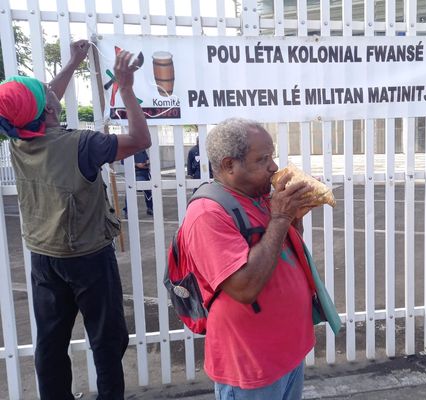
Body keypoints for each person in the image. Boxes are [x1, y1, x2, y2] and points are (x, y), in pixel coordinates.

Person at [0, 41, 151, 399]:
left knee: (51, 344)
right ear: (49, 111)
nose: (52, 93)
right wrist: (126, 90)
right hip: (88, 259)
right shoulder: (83, 145)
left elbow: (45, 99)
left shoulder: (18, 141)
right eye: (47, 96)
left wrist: (74, 61)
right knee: (106, 340)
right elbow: (141, 138)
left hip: (43, 257)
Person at [178, 118, 316, 399]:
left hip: (286, 352)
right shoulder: (207, 214)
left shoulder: (261, 197)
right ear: (230, 165)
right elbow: (244, 287)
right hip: (251, 365)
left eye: (272, 156)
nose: (274, 167)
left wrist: (294, 219)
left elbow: (287, 251)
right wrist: (280, 217)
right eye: (263, 159)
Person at [122, 148, 153, 217]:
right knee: (130, 191)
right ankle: (127, 211)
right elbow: (123, 161)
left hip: (144, 172)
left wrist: (146, 163)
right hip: (134, 173)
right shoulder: (127, 149)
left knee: (148, 191)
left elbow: (147, 159)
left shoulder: (142, 149)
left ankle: (150, 208)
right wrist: (136, 164)